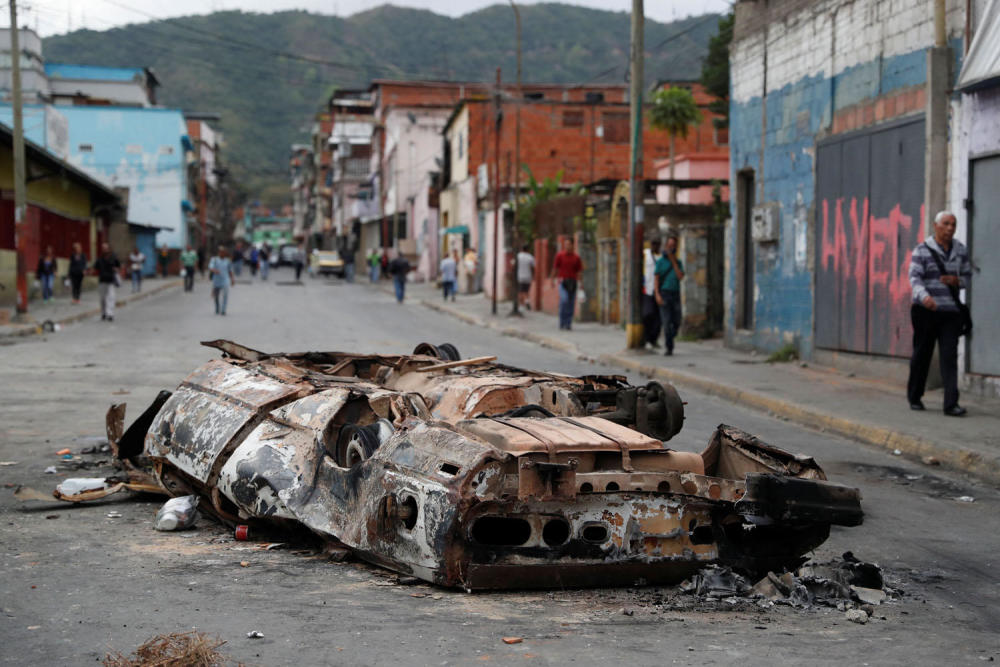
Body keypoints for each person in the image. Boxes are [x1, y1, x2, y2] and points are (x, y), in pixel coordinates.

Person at [907, 211, 973, 416]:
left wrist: (958, 282)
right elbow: (915, 278)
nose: (950, 228)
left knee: (949, 357)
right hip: (925, 311)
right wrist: (925, 297)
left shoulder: (960, 250)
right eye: (945, 224)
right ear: (936, 226)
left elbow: (969, 275)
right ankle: (915, 396)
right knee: (922, 354)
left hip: (950, 313)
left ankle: (951, 404)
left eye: (953, 224)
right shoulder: (922, 250)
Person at [655, 235, 685, 356]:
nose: (671, 248)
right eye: (670, 245)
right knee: (666, 323)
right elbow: (656, 279)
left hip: (675, 294)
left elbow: (680, 277)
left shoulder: (678, 262)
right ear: (666, 246)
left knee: (677, 321)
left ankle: (671, 337)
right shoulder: (660, 262)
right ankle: (669, 347)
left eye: (674, 246)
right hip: (664, 294)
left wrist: (673, 261)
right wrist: (657, 294)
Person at [550, 237, 583, 330]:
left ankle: (568, 323)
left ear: (573, 245)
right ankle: (562, 322)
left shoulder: (576, 258)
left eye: (569, 244)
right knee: (564, 300)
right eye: (565, 244)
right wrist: (552, 280)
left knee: (571, 303)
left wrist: (580, 284)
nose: (567, 246)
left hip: (573, 282)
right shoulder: (560, 256)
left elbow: (579, 271)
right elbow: (555, 268)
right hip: (562, 281)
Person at [642, 238, 662, 348]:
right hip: (647, 290)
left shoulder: (661, 257)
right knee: (647, 314)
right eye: (653, 243)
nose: (654, 246)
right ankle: (646, 337)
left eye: (656, 244)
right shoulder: (645, 254)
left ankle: (653, 339)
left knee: (658, 318)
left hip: (659, 290)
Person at [94, 243, 120, 321]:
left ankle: (110, 314)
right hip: (102, 280)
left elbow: (118, 266)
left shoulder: (113, 258)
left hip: (111, 280)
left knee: (111, 297)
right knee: (102, 299)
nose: (105, 249)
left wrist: (116, 269)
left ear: (109, 249)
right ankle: (103, 313)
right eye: (103, 248)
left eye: (106, 248)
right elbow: (95, 267)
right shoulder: (100, 259)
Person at [209, 245, 235, 315]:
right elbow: (210, 267)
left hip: (225, 280)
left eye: (223, 252)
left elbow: (230, 270)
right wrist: (214, 270)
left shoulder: (228, 261)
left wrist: (232, 279)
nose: (222, 253)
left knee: (225, 294)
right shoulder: (214, 259)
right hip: (216, 281)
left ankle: (223, 310)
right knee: (216, 296)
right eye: (221, 252)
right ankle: (217, 307)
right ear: (219, 252)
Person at [516, 244, 536, 310]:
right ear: (528, 249)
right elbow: (533, 267)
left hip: (520, 276)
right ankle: (527, 301)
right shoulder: (530, 257)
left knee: (520, 291)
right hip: (528, 276)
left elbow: (514, 265)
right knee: (526, 291)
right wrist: (534, 275)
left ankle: (520, 305)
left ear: (522, 249)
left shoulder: (518, 256)